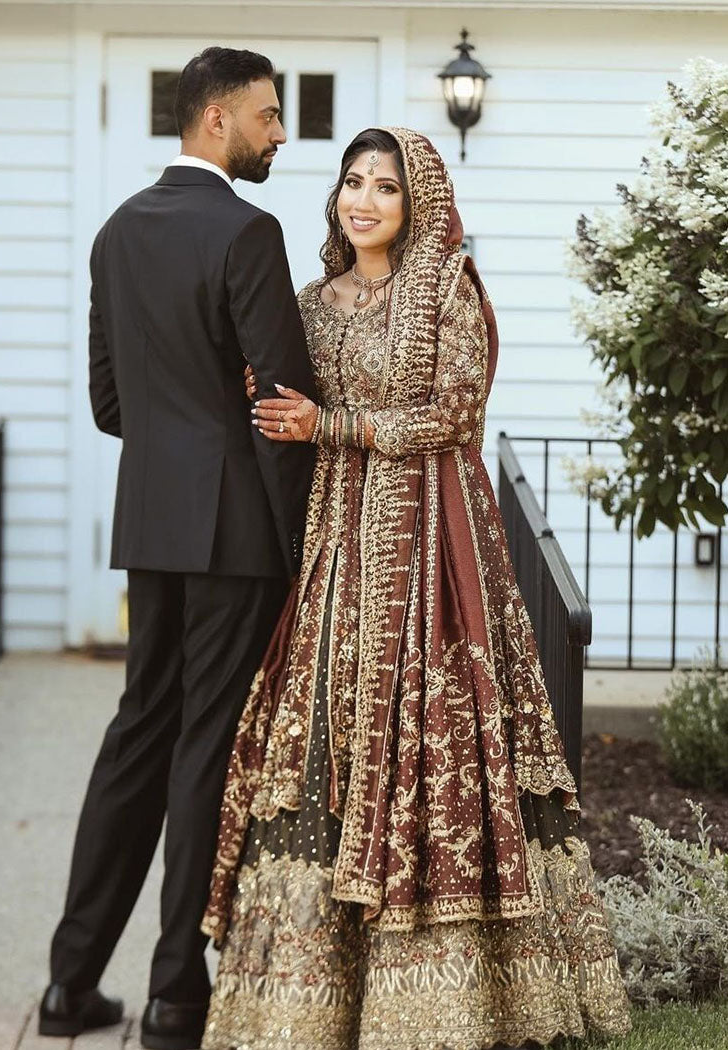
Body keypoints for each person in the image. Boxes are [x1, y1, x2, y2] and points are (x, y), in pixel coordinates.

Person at [200, 127, 632, 1050]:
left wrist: (333, 425)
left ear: (417, 203)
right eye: (352, 183)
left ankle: (458, 999)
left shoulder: (446, 288)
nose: (363, 201)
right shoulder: (309, 303)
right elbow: (279, 398)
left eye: (385, 188)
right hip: (337, 545)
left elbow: (455, 413)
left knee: (437, 724)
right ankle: (303, 1006)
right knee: (327, 729)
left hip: (437, 542)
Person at [39, 47, 316, 1050]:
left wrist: (184, 427)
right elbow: (284, 411)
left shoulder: (116, 232)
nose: (280, 134)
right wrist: (301, 543)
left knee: (138, 734)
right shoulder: (248, 231)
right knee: (205, 744)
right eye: (268, 116)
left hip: (150, 525)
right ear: (216, 121)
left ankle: (68, 989)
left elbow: (110, 404)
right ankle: (174, 997)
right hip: (238, 534)